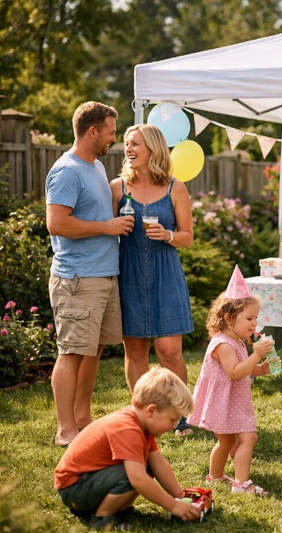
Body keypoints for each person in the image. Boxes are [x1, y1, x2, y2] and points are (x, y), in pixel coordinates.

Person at [45, 101, 135, 447]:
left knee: (93, 349)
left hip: (103, 274)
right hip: (78, 278)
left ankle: (83, 418)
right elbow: (57, 223)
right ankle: (66, 429)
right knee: (71, 351)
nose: (114, 138)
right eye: (110, 132)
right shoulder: (67, 171)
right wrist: (106, 226)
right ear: (92, 131)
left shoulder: (95, 166)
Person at [110, 124, 194, 436]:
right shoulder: (117, 188)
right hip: (129, 272)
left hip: (165, 274)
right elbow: (107, 232)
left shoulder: (176, 188)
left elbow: (187, 238)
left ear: (153, 149)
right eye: (126, 144)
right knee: (135, 350)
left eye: (135, 144)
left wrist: (168, 234)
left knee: (169, 350)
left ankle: (180, 415)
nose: (128, 150)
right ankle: (141, 416)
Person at [54, 366, 201, 529]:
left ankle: (120, 508)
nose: (174, 425)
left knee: (145, 466)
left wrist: (179, 496)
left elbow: (159, 464)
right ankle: (101, 518)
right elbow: (137, 479)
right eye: (172, 419)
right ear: (151, 410)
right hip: (75, 489)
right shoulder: (127, 429)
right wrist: (173, 506)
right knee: (133, 474)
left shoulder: (143, 426)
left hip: (90, 481)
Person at [187, 266, 277, 496]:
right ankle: (241, 483)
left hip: (229, 402)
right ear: (228, 318)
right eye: (249, 318)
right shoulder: (223, 344)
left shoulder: (236, 340)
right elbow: (235, 372)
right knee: (248, 437)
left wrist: (259, 369)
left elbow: (243, 371)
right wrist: (256, 355)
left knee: (226, 443)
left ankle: (215, 476)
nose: (254, 323)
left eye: (255, 317)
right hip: (225, 403)